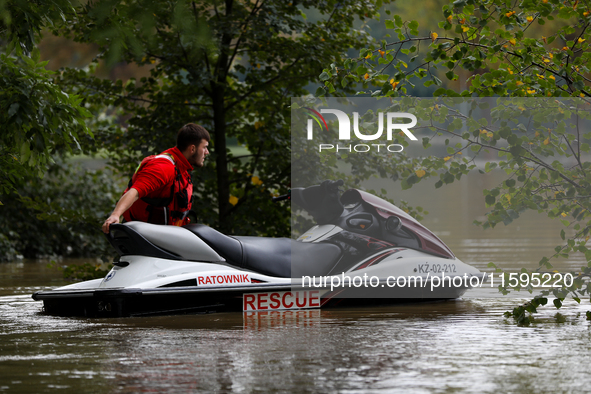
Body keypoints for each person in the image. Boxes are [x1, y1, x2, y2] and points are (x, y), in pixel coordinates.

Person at [102, 123, 210, 233]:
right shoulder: (164, 167)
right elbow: (135, 191)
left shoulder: (181, 167)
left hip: (164, 235)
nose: (207, 152)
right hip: (141, 236)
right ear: (192, 148)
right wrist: (115, 215)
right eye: (205, 147)